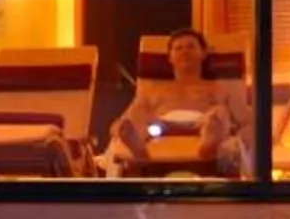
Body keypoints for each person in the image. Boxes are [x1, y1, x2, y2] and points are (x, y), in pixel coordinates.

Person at [108, 28, 256, 178]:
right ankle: (138, 150)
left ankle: (209, 145)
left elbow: (249, 122)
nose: (185, 51)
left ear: (203, 54)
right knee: (138, 114)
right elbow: (125, 120)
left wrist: (240, 140)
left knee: (219, 113)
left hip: (204, 126)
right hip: (159, 129)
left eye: (191, 46)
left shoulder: (221, 88)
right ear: (170, 57)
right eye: (178, 48)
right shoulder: (151, 90)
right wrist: (119, 127)